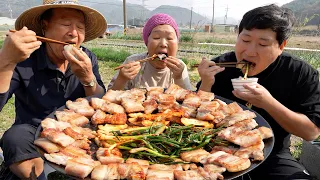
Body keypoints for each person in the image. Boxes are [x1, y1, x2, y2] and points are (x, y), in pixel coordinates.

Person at [197, 4, 320, 180]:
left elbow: (311, 133)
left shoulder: (299, 73)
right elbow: (194, 119)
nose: (250, 51)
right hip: (216, 152)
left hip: (273, 154)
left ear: (281, 46)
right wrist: (206, 85)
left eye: (263, 44)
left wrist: (268, 103)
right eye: (245, 40)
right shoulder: (219, 67)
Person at [0, 0, 107, 179]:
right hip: (32, 132)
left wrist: (88, 79)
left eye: (80, 27)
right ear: (45, 27)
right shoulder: (24, 58)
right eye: (66, 24)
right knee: (14, 137)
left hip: (79, 132)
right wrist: (5, 62)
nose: (74, 33)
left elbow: (100, 104)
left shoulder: (88, 58)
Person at [108, 13, 192, 90]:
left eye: (169, 38)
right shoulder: (132, 62)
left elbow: (189, 100)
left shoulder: (180, 67)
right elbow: (109, 98)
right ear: (147, 42)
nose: (163, 44)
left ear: (177, 43)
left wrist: (178, 78)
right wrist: (122, 78)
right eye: (156, 37)